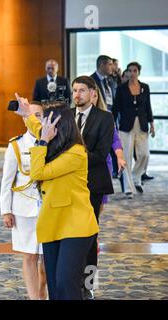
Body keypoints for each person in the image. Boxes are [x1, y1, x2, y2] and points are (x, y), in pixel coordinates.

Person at [14, 97, 99, 300]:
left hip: (76, 227)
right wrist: (26, 113)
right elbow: (36, 128)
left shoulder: (76, 153)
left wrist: (42, 141)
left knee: (66, 284)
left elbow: (38, 173)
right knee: (54, 287)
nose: (42, 125)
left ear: (59, 126)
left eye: (46, 121)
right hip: (52, 225)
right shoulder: (55, 144)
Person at [72, 76, 115, 299]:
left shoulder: (105, 118)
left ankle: (89, 285)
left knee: (89, 238)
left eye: (81, 91)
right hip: (68, 187)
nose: (77, 95)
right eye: (74, 91)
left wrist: (72, 158)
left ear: (92, 93)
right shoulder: (67, 116)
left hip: (92, 186)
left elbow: (101, 153)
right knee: (69, 238)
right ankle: (72, 282)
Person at [0, 101, 47, 300]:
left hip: (48, 208)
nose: (34, 118)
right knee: (29, 255)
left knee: (47, 260)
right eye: (31, 114)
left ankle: (42, 291)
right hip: (23, 209)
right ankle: (34, 297)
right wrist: (6, 210)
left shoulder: (53, 141)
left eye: (39, 115)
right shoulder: (16, 145)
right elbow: (7, 180)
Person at [113, 62, 155, 195]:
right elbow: (116, 107)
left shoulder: (145, 87)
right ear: (127, 72)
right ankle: (128, 189)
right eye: (130, 71)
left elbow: (148, 106)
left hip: (142, 124)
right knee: (126, 156)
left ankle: (136, 178)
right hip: (126, 126)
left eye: (135, 70)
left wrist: (152, 123)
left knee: (144, 154)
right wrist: (112, 123)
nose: (132, 73)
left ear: (139, 72)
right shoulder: (121, 88)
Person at [92, 86, 131, 198]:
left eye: (94, 95)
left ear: (98, 97)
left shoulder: (106, 116)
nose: (92, 99)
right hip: (83, 162)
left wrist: (119, 157)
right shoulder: (75, 115)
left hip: (103, 162)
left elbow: (115, 139)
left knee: (101, 199)